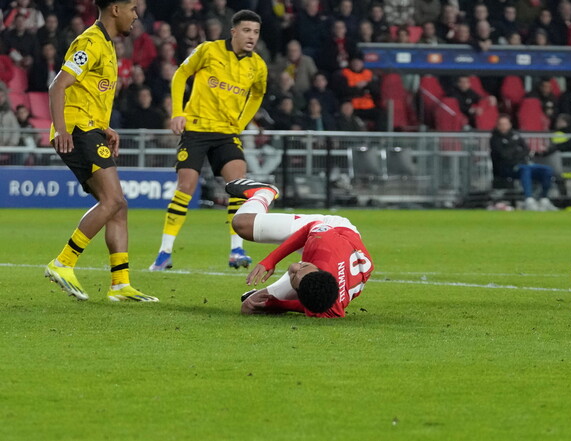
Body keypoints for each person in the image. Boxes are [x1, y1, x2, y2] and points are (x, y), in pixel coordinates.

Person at [45, 0, 157, 302]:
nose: (136, 14)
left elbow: (88, 92)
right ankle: (63, 262)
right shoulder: (91, 42)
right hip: (78, 131)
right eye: (132, 8)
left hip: (90, 129)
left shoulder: (107, 45)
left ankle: (120, 284)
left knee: (118, 206)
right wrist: (64, 129)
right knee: (113, 200)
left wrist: (104, 126)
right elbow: (58, 87)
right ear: (116, 9)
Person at [149, 10, 269, 271]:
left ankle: (237, 249)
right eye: (247, 30)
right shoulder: (209, 50)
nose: (252, 37)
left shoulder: (257, 65)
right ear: (234, 31)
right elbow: (181, 74)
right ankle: (164, 253)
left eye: (256, 32)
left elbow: (258, 95)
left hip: (226, 133)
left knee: (239, 186)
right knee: (186, 188)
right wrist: (178, 112)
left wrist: (242, 121)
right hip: (197, 129)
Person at [224, 179, 373, 318]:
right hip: (332, 230)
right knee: (242, 224)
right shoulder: (324, 244)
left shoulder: (331, 305)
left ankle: (262, 292)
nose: (294, 266)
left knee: (250, 306)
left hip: (334, 259)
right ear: (318, 269)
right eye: (304, 265)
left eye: (294, 276)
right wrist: (270, 260)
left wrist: (279, 304)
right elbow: (310, 226)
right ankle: (264, 191)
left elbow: (318, 310)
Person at [490, 114, 557, 211]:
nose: (504, 126)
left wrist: (514, 152)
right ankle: (528, 199)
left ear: (510, 125)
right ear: (497, 125)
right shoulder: (495, 139)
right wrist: (517, 151)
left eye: (506, 124)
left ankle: (544, 199)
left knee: (547, 170)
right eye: (501, 124)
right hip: (507, 168)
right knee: (525, 170)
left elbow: (526, 150)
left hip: (523, 164)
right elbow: (504, 156)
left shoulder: (516, 136)